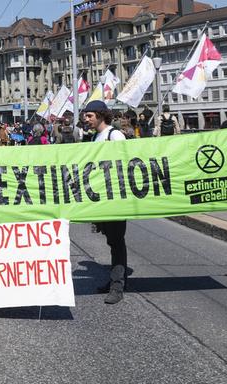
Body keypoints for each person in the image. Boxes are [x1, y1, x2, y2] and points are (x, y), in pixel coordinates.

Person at [81, 101, 129, 304]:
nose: (86, 119)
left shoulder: (114, 135)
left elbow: (126, 160)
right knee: (111, 240)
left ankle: (117, 286)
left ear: (101, 115)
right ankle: (114, 280)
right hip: (102, 198)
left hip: (116, 197)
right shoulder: (95, 137)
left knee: (117, 241)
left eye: (90, 115)